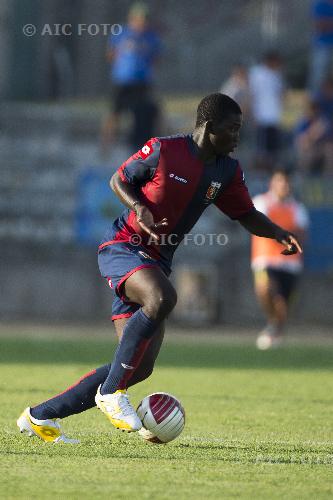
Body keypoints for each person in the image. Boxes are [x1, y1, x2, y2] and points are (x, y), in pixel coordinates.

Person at [17, 93, 302, 443]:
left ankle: (39, 416)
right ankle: (111, 394)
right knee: (162, 297)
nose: (238, 136)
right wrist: (138, 206)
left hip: (155, 262)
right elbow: (118, 180)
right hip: (123, 247)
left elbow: (246, 214)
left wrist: (278, 233)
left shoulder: (227, 171)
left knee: (139, 366)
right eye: (233, 129)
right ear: (209, 127)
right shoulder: (163, 149)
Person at [251, 170, 309, 350]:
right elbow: (256, 223)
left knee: (282, 305)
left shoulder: (297, 208)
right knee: (265, 288)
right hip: (265, 259)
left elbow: (302, 234)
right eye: (280, 181)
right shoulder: (262, 202)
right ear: (272, 183)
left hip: (290, 264)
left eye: (286, 182)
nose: (283, 186)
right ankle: (272, 326)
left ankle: (274, 329)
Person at [101, 2, 161, 154]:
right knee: (114, 113)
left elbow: (156, 57)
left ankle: (140, 147)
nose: (142, 22)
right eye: (139, 19)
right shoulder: (121, 33)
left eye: (145, 19)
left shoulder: (151, 37)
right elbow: (110, 54)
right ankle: (105, 147)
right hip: (122, 80)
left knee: (143, 115)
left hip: (142, 82)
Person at [249, 51, 285, 170]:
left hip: (274, 116)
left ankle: (270, 169)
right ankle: (259, 170)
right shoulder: (257, 73)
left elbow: (281, 94)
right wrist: (253, 113)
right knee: (261, 146)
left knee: (273, 146)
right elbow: (252, 94)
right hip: (261, 116)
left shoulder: (277, 75)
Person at [294, 99, 333, 175]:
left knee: (330, 149)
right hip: (308, 150)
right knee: (305, 151)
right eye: (311, 110)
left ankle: (329, 178)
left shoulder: (323, 121)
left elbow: (329, 138)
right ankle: (302, 177)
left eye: (315, 110)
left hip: (321, 148)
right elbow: (301, 140)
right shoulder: (303, 122)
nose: (313, 113)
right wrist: (313, 133)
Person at [308, 0, 333, 94]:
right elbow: (319, 25)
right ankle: (314, 102)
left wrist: (328, 22)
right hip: (322, 45)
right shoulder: (320, 3)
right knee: (318, 77)